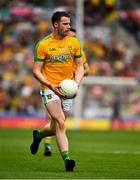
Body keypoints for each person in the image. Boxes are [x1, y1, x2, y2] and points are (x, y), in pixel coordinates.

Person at [30, 11, 84, 172]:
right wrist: (50, 85)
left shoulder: (73, 42)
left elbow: (80, 65)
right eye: (65, 23)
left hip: (67, 89)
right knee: (60, 122)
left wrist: (76, 83)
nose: (69, 26)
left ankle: (39, 135)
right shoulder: (43, 44)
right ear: (56, 24)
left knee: (54, 127)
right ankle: (67, 159)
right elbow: (36, 71)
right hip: (49, 88)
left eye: (69, 23)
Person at [43, 27, 89, 157]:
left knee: (59, 123)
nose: (72, 39)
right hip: (53, 87)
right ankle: (48, 145)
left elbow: (87, 69)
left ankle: (40, 135)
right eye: (70, 36)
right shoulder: (54, 48)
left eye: (74, 37)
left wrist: (74, 81)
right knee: (54, 118)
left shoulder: (78, 50)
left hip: (69, 88)